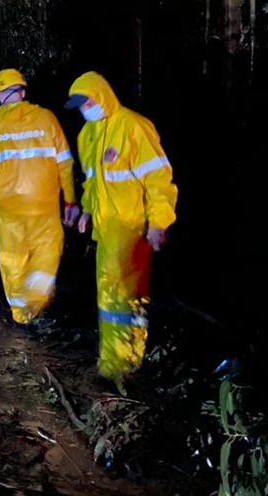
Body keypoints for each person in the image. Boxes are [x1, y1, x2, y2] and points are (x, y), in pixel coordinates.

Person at [65, 71, 178, 385]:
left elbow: (158, 179)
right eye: (80, 105)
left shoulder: (133, 126)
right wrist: (87, 211)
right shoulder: (87, 135)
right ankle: (113, 364)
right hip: (106, 232)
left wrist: (159, 222)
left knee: (127, 299)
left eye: (88, 102)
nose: (85, 109)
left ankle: (125, 365)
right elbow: (92, 182)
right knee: (110, 299)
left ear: (102, 95)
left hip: (132, 229)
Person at [0, 69, 79, 326]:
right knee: (47, 252)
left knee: (12, 258)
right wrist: (70, 199)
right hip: (44, 204)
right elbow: (65, 163)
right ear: (23, 91)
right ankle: (37, 303)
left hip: (8, 208)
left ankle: (21, 315)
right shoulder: (47, 118)